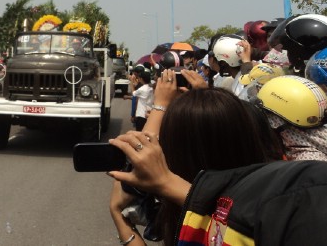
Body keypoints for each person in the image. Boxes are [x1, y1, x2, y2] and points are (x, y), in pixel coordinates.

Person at [108, 68, 279, 245]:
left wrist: (119, 217)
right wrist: (206, 100)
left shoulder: (206, 221)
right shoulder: (268, 201)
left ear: (178, 154)